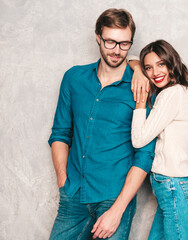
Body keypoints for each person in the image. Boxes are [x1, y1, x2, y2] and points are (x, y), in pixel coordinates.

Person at [48, 8, 155, 239]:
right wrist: (63, 181)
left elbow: (145, 154)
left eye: (125, 44)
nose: (117, 51)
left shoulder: (140, 87)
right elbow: (60, 133)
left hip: (115, 198)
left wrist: (118, 210)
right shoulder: (74, 78)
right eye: (110, 42)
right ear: (97, 37)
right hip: (74, 194)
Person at [131, 40, 188, 240]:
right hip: (173, 190)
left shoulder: (172, 94)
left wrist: (140, 100)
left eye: (161, 64)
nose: (155, 73)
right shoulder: (180, 92)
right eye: (148, 67)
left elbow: (138, 139)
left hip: (176, 189)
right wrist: (137, 68)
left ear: (172, 63)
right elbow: (130, 58)